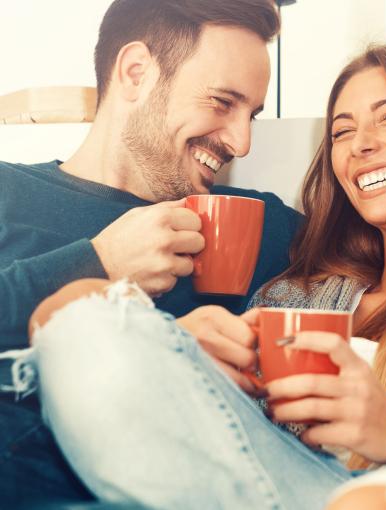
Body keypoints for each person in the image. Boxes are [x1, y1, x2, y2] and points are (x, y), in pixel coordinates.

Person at [19, 44, 386, 510]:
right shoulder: (300, 297)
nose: (360, 145)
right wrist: (189, 354)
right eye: (341, 132)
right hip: (308, 490)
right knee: (79, 312)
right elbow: (245, 445)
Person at [0, 0, 302, 506]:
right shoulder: (8, 193)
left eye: (250, 114)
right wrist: (101, 262)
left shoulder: (249, 223)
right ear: (136, 73)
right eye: (222, 102)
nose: (242, 141)